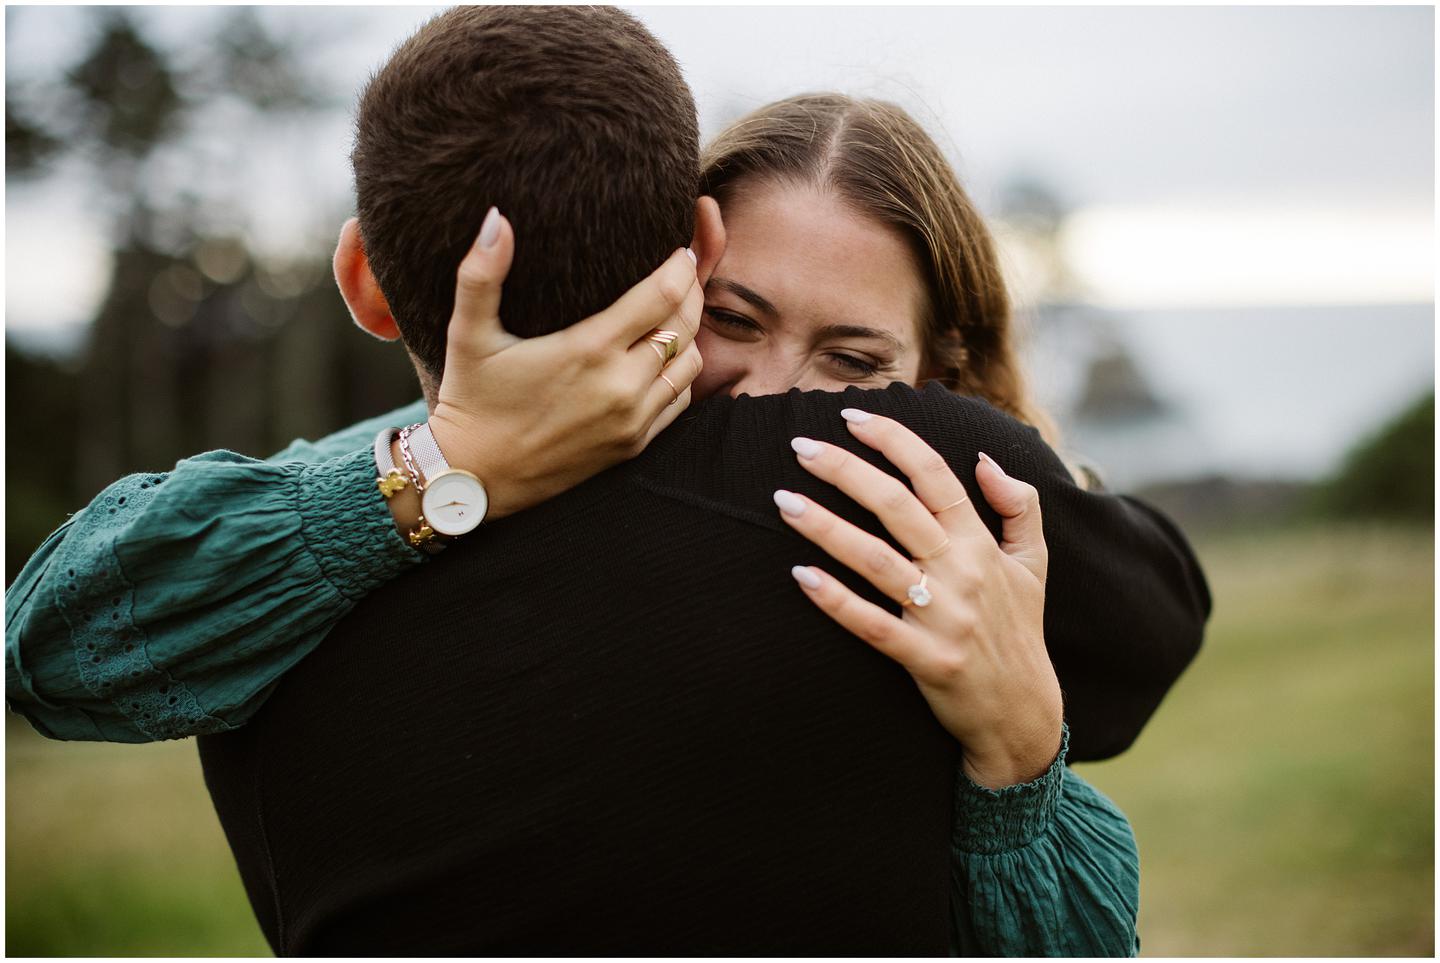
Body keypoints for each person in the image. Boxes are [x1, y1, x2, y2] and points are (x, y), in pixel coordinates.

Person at [5, 5, 1209, 954]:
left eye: (856, 365)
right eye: (736, 319)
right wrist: (450, 467)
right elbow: (47, 654)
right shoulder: (337, 513)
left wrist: (1020, 752)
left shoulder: (937, 506)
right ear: (682, 263)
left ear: (944, 375)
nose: (775, 397)